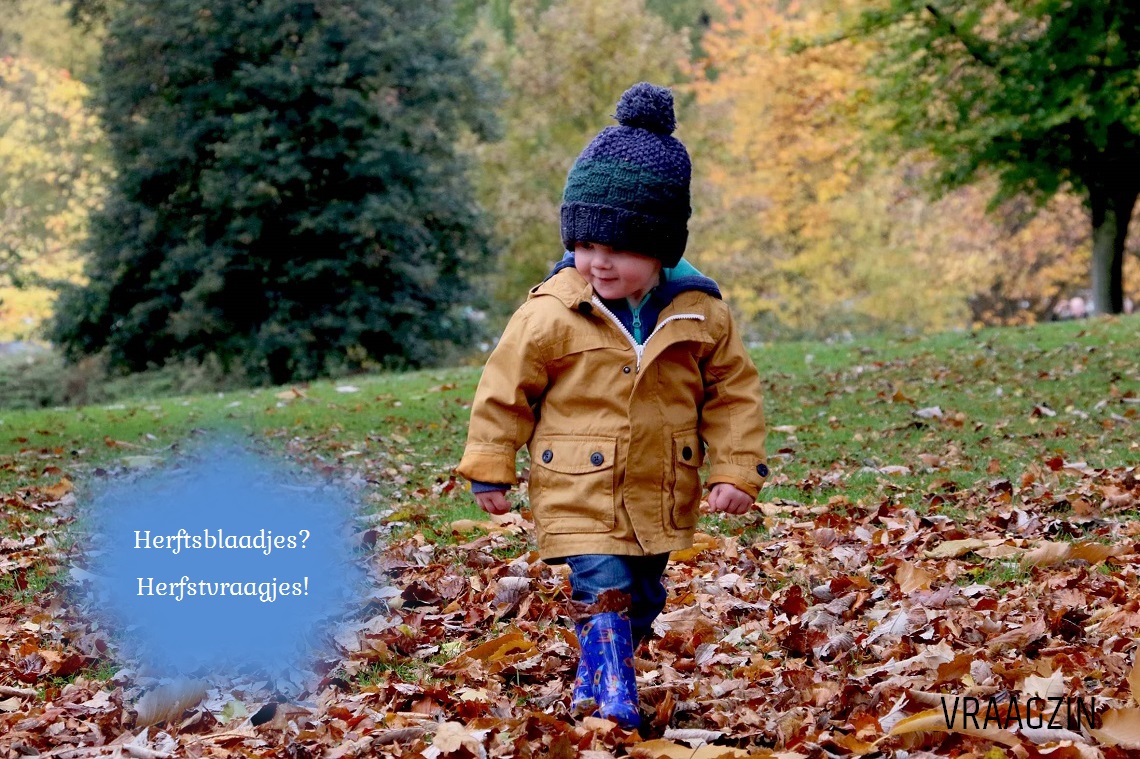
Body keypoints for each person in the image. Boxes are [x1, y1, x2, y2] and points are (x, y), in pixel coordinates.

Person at [456, 82, 768, 730]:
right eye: (586, 244)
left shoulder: (700, 312)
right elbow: (505, 383)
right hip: (575, 485)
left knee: (645, 596)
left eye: (618, 247)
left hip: (658, 491)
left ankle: (593, 677)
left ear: (660, 248)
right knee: (604, 585)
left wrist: (735, 469)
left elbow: (733, 392)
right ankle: (618, 699)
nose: (598, 261)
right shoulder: (552, 311)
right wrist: (491, 461)